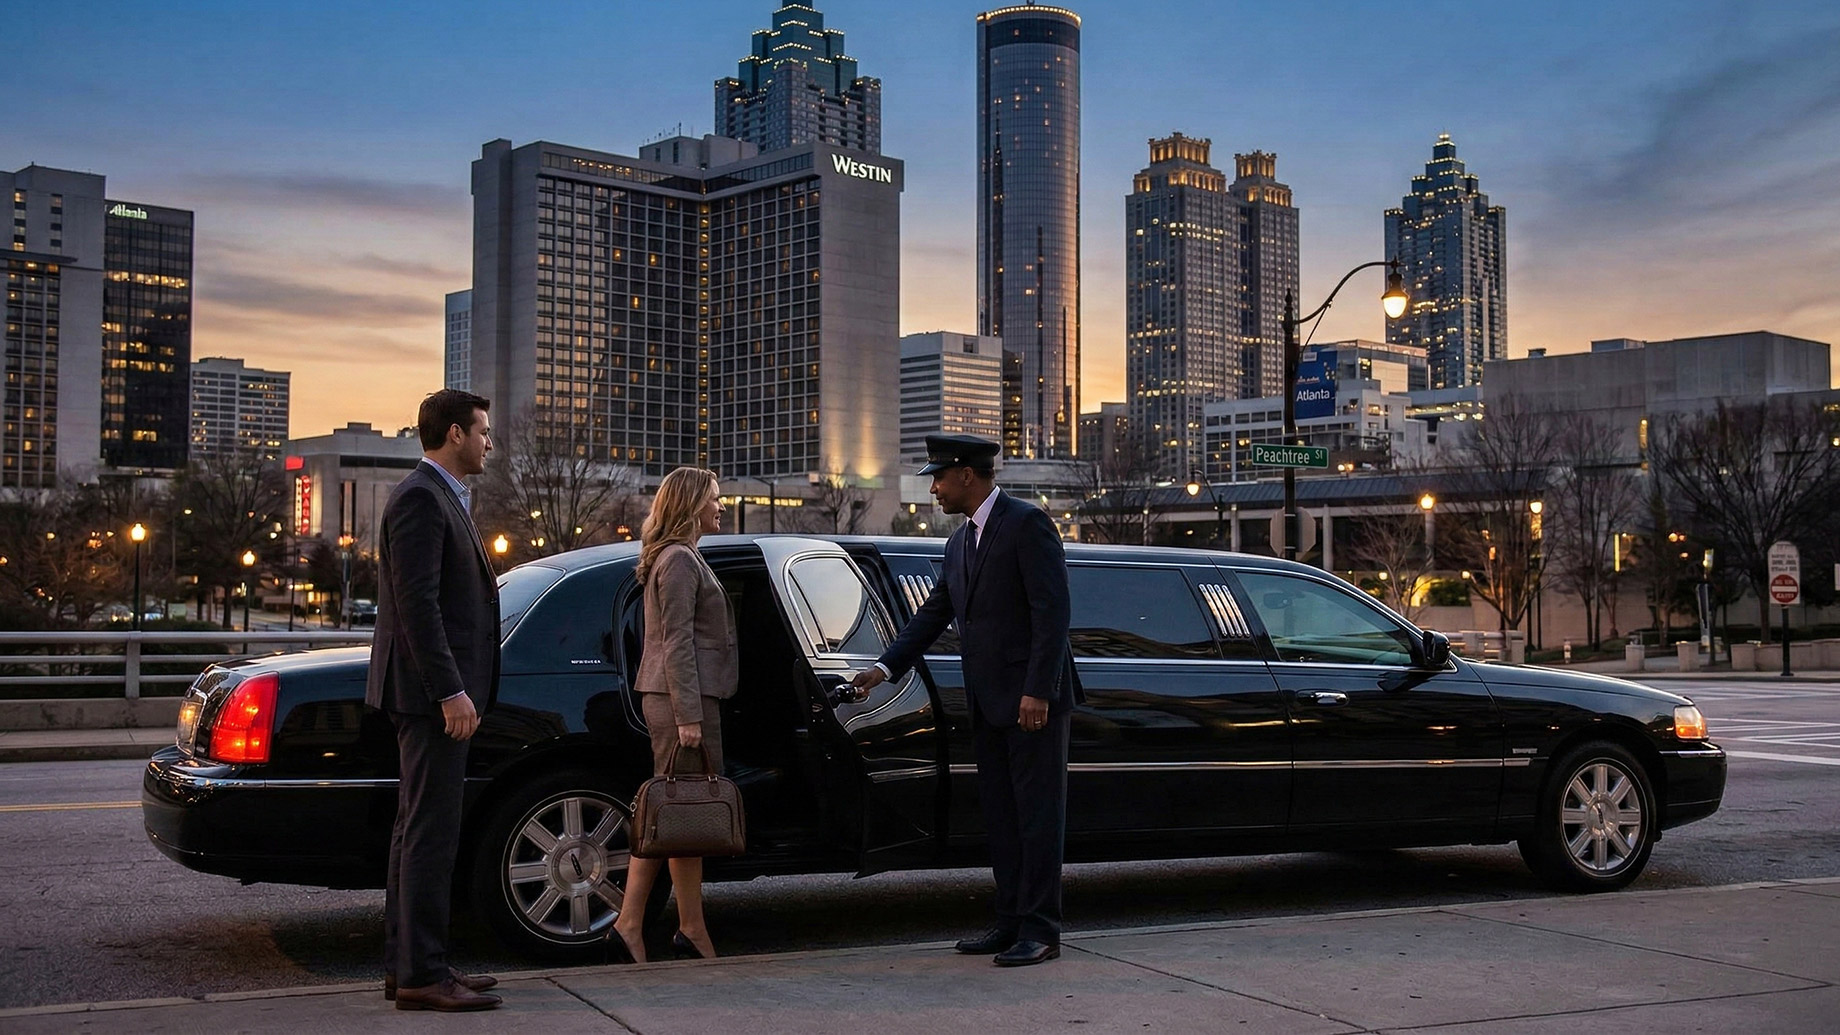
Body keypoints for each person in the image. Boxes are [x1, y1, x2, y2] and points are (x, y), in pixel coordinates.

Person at [852, 433, 1079, 967]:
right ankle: (1009, 923)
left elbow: (1052, 611)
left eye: (938, 477)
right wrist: (882, 668)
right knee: (1001, 818)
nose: (932, 488)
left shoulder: (1027, 523)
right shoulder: (958, 543)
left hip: (1031, 704)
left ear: (967, 475)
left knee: (1037, 819)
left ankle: (1041, 930)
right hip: (988, 702)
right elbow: (933, 616)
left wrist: (1036, 691)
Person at [366, 389, 503, 1012]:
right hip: (429, 698)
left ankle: (413, 966)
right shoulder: (422, 497)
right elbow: (417, 605)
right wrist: (450, 689)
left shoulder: (438, 495)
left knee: (415, 831)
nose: (488, 441)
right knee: (429, 833)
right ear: (454, 433)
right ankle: (422, 974)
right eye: (482, 431)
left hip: (426, 694)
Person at [608, 467, 738, 963]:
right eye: (715, 498)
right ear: (691, 504)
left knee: (675, 813)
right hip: (681, 698)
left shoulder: (678, 556)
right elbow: (678, 642)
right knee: (681, 813)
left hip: (678, 696)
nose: (721, 506)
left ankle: (646, 926)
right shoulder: (681, 560)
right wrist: (688, 716)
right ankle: (677, 928)